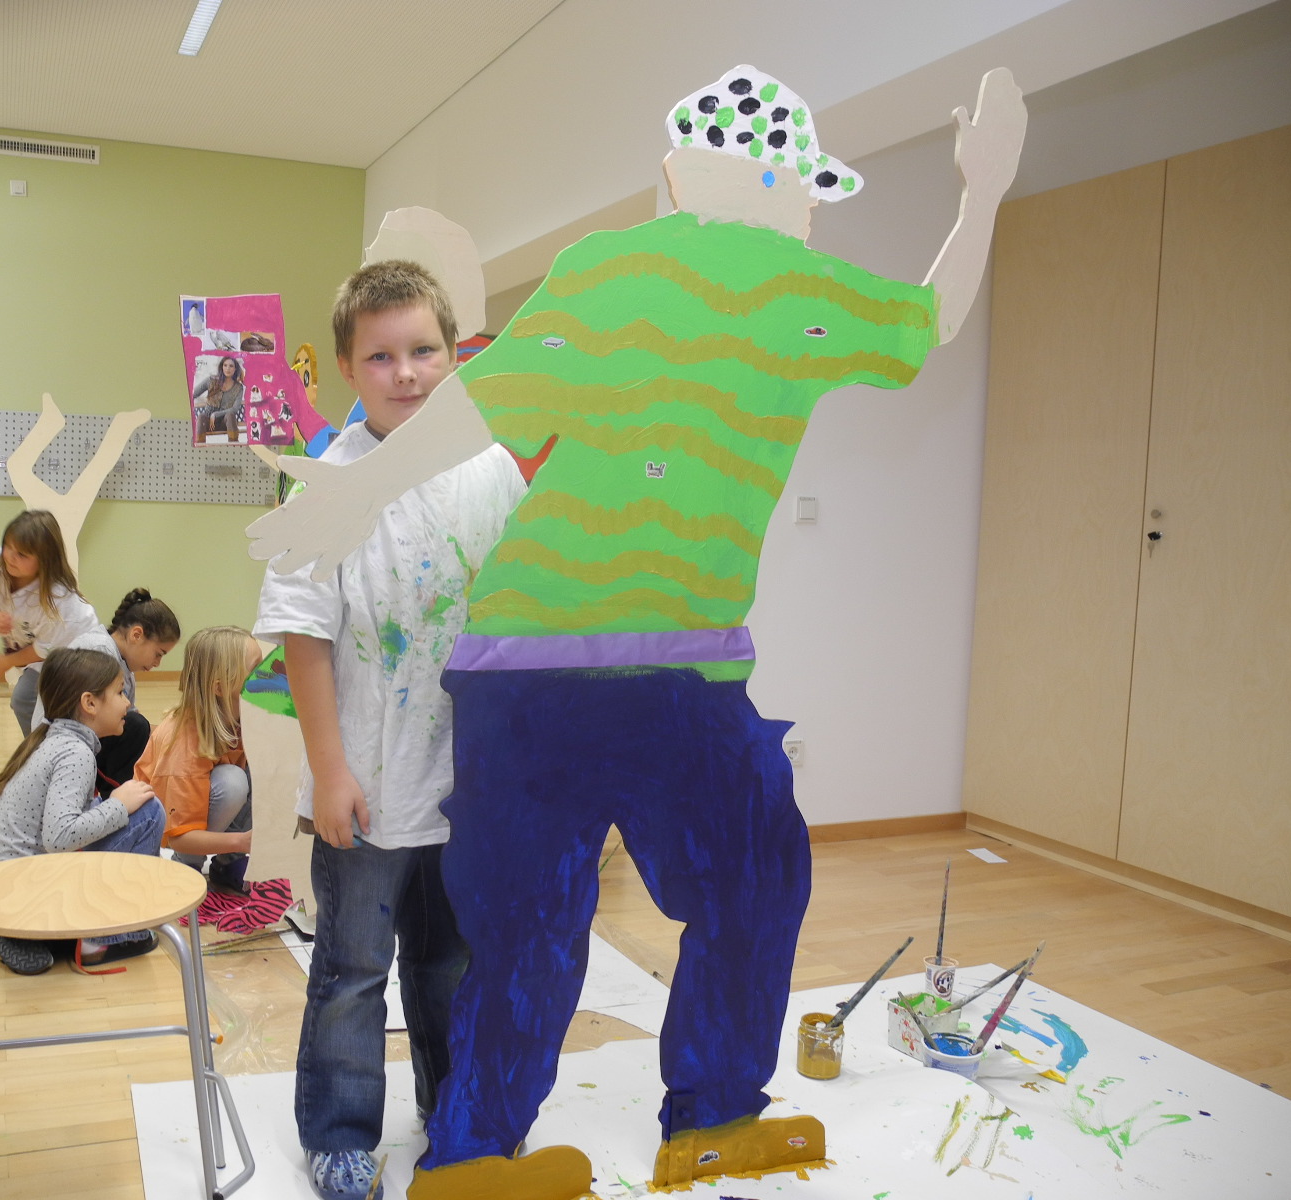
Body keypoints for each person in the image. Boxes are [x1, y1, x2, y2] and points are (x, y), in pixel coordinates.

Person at [248, 66, 1026, 1200]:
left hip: (668, 669)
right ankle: (483, 1146)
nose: (802, 212)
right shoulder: (631, 277)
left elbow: (925, 321)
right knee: (544, 923)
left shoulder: (777, 291)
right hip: (542, 676)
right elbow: (476, 402)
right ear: (707, 177)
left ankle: (684, 1117)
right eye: (795, 188)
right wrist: (982, 192)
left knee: (727, 882)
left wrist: (984, 192)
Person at [253, 260, 525, 1200]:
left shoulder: (490, 471)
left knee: (451, 964)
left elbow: (520, 617)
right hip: (365, 782)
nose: (405, 373)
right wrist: (329, 772)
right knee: (354, 969)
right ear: (346, 367)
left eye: (423, 351)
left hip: (465, 783)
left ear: (453, 356)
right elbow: (304, 639)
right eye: (380, 356)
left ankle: (454, 1109)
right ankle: (338, 1133)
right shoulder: (326, 487)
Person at [0, 647, 166, 975]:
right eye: (120, 693)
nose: (127, 704)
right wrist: (119, 805)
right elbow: (60, 837)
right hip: (22, 895)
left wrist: (114, 804)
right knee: (148, 811)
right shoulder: (76, 753)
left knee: (128, 806)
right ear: (89, 703)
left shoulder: (53, 738)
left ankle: (30, 934)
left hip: (5, 891)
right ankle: (104, 940)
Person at [135, 625, 261, 895]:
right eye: (255, 669)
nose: (265, 675)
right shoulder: (184, 744)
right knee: (233, 782)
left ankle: (228, 864)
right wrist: (243, 841)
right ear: (220, 687)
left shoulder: (239, 716)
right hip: (168, 835)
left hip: (197, 812)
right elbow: (180, 837)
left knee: (261, 767)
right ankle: (186, 866)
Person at [0, 510, 104, 735]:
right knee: (27, 702)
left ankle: (54, 749)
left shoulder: (58, 597)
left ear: (44, 560)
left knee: (32, 701)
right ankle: (43, 749)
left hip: (79, 655)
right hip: (46, 653)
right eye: (8, 546)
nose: (10, 557)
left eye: (22, 554)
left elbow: (44, 650)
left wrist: (6, 662)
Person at [33, 588, 180, 796]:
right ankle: (115, 799)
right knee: (136, 728)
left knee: (141, 729)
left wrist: (173, 733)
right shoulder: (100, 653)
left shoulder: (120, 661)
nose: (158, 663)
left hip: (72, 741)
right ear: (136, 635)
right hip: (58, 749)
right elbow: (123, 723)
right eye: (158, 654)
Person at [194, 354, 246, 441]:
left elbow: (235, 409)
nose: (228, 368)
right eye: (225, 365)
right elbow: (193, 394)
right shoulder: (211, 380)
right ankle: (199, 443)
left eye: (231, 366)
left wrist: (215, 414)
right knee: (201, 417)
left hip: (225, 423)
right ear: (222, 367)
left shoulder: (238, 387)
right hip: (208, 422)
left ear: (235, 369)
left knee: (230, 415)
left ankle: (234, 443)